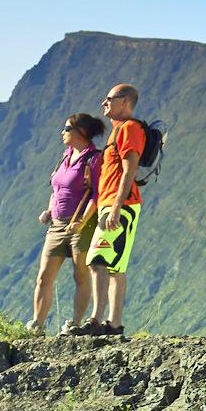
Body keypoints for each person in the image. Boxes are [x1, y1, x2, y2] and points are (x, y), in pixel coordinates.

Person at [83, 84, 146, 336]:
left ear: (126, 102)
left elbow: (130, 169)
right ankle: (114, 324)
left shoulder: (130, 129)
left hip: (121, 205)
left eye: (109, 99)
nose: (104, 103)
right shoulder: (117, 131)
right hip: (113, 204)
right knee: (114, 267)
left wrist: (116, 206)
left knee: (97, 259)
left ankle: (96, 320)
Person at [32, 113, 104, 333]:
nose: (62, 132)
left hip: (80, 226)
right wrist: (49, 210)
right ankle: (37, 324)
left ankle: (74, 323)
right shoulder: (65, 157)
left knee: (80, 275)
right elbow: (56, 190)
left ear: (80, 132)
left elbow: (96, 194)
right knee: (44, 276)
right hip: (57, 225)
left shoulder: (93, 159)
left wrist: (81, 222)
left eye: (66, 128)